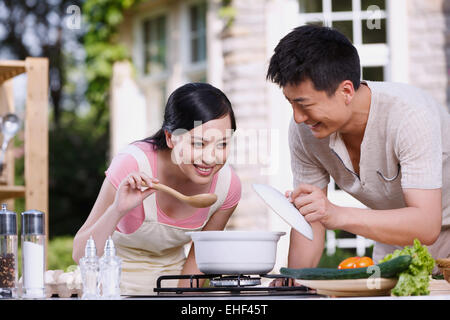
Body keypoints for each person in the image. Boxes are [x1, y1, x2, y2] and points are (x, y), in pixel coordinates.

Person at [266, 25, 450, 272]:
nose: (298, 117)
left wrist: (336, 214)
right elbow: (311, 218)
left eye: (304, 104)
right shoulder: (305, 131)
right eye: (291, 103)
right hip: (395, 237)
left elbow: (427, 225)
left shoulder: (410, 116)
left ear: (346, 91)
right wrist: (294, 282)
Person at [72, 83, 242, 295]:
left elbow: (198, 258)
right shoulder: (131, 166)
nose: (211, 158)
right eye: (198, 144)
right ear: (170, 137)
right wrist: (117, 210)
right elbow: (80, 254)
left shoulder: (227, 187)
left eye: (223, 144)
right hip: (111, 289)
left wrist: (181, 302)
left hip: (172, 287)